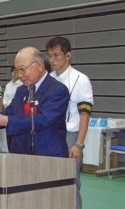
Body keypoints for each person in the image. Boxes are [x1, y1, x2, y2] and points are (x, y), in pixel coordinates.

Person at [0, 47, 69, 157]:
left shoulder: (57, 89)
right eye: (17, 70)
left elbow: (43, 120)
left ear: (39, 65)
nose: (19, 75)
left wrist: (6, 120)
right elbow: (10, 112)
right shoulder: (21, 90)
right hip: (20, 155)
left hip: (47, 156)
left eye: (22, 69)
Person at [46, 36, 94, 209]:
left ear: (68, 55)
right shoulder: (47, 80)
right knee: (48, 181)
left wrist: (79, 144)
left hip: (70, 136)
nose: (52, 60)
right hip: (48, 136)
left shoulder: (81, 80)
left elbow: (85, 115)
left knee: (70, 183)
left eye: (56, 55)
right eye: (49, 56)